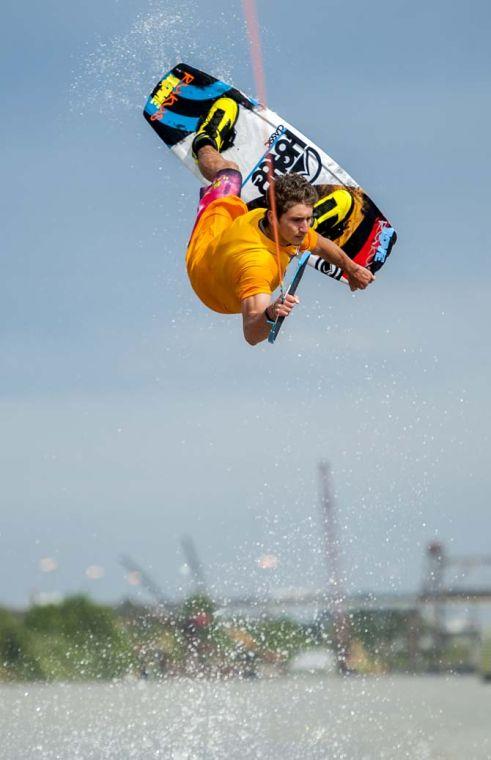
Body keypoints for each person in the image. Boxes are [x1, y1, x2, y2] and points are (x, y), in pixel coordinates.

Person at [186, 97, 374, 345]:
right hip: (206, 265)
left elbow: (318, 244)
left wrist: (350, 268)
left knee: (233, 181)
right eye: (298, 219)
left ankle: (308, 216)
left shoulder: (291, 228)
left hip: (227, 233)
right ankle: (204, 140)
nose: (305, 227)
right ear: (272, 216)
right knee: (228, 170)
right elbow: (252, 335)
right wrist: (270, 313)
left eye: (308, 218)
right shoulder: (257, 265)